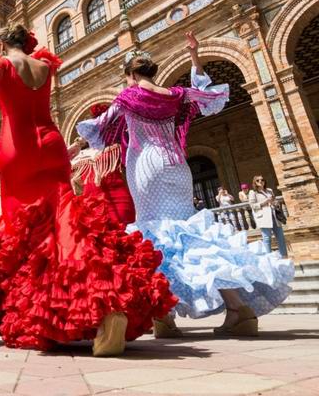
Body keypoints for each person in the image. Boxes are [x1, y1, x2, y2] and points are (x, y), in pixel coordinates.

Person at [0, 25, 176, 356]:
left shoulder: (1, 63)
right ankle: (108, 303)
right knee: (67, 223)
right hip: (51, 143)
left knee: (27, 236)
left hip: (18, 150)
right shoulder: (44, 65)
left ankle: (49, 314)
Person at [77, 31, 294, 338]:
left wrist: (75, 148)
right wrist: (194, 55)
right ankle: (238, 308)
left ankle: (164, 317)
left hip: (147, 167)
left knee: (154, 237)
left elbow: (102, 126)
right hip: (178, 166)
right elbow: (206, 96)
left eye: (127, 78)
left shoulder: (128, 96)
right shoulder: (176, 96)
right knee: (190, 234)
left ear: (132, 75)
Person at [69, 104, 136, 225]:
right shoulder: (81, 157)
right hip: (91, 210)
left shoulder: (117, 149)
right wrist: (78, 143)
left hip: (120, 203)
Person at [248, 176, 288, 257]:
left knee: (280, 237)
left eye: (262, 179)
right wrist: (265, 201)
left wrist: (275, 203)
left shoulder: (269, 190)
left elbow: (275, 201)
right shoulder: (253, 192)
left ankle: (284, 256)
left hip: (274, 215)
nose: (260, 181)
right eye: (258, 180)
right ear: (255, 182)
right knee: (267, 238)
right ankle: (270, 258)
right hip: (264, 217)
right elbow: (253, 205)